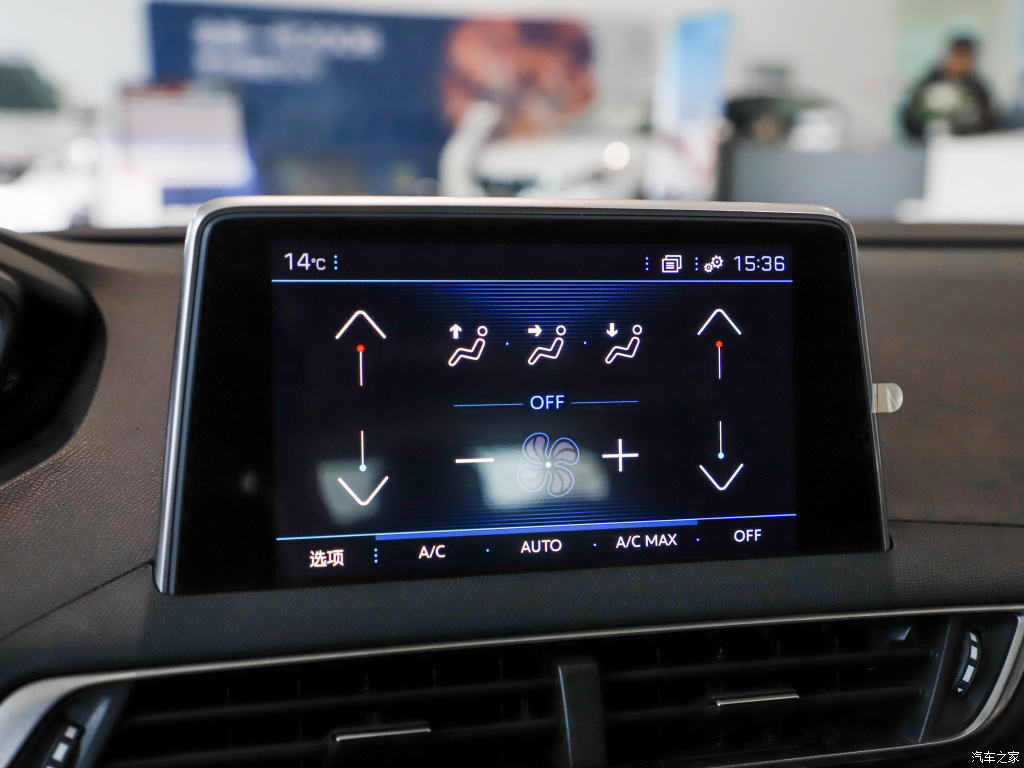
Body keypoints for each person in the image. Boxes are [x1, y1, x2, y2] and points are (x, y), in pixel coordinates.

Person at [902, 36, 996, 139]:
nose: (961, 62)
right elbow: (910, 115)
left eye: (967, 57)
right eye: (958, 55)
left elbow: (988, 119)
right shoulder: (928, 83)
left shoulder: (976, 88)